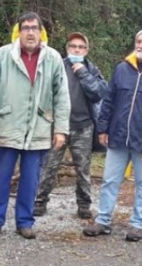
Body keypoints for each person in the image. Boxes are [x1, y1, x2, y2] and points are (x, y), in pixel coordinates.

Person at [84, 29, 142, 242]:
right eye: (139, 41)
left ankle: (138, 224)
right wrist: (103, 128)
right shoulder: (122, 69)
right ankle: (103, 220)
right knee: (109, 180)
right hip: (118, 137)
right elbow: (108, 101)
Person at [0, 12, 70, 240]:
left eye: (34, 28)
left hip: (39, 127)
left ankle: (24, 222)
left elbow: (62, 96)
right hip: (7, 124)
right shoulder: (3, 55)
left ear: (41, 32)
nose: (30, 32)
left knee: (31, 179)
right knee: (1, 176)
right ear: (18, 32)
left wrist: (60, 129)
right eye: (26, 28)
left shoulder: (53, 58)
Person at [34, 32, 108, 218]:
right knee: (49, 167)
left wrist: (82, 73)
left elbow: (99, 93)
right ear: (67, 49)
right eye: (73, 46)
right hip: (57, 127)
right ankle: (40, 202)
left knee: (83, 169)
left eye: (81, 47)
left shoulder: (91, 69)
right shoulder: (57, 66)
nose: (77, 49)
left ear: (87, 50)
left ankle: (84, 205)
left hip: (83, 126)